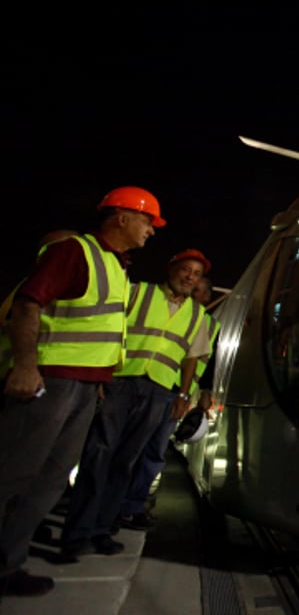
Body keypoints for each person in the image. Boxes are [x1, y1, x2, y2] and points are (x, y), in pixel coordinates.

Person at [0, 186, 163, 600]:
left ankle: (8, 565)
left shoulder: (116, 266)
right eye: (148, 220)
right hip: (51, 382)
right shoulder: (76, 251)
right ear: (122, 218)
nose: (152, 231)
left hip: (87, 387)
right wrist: (25, 365)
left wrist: (101, 382)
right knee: (15, 472)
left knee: (52, 478)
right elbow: (28, 302)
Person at [60, 246, 211, 559]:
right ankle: (76, 534)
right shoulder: (138, 293)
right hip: (120, 383)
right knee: (99, 454)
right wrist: (101, 375)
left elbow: (191, 359)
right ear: (171, 268)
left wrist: (183, 395)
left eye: (196, 275)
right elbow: (108, 330)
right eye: (186, 270)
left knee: (125, 460)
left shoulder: (197, 315)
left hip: (158, 391)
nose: (190, 278)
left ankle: (102, 529)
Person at [116, 252, 215, 530]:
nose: (194, 287)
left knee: (152, 450)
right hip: (145, 382)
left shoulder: (204, 320)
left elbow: (201, 360)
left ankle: (129, 505)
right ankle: (115, 507)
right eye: (189, 275)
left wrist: (190, 394)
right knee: (127, 449)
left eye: (199, 286)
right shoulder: (151, 298)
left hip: (171, 392)